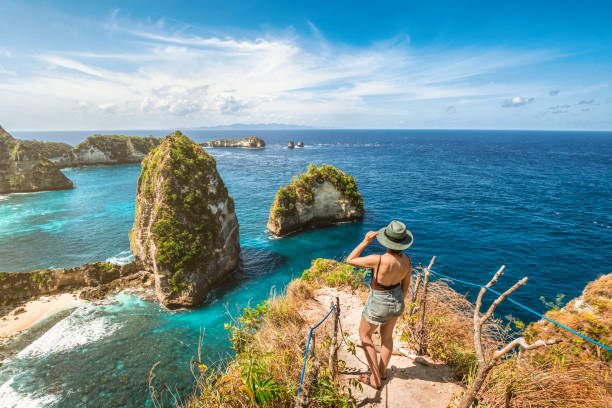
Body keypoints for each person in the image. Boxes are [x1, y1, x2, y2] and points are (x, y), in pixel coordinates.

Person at [346, 220, 413, 389]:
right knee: (387, 338)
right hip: (397, 300)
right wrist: (399, 303)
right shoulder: (407, 260)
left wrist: (365, 241)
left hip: (379, 302)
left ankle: (374, 378)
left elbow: (350, 259)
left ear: (386, 241)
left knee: (364, 336)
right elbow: (405, 286)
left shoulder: (378, 260)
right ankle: (382, 372)